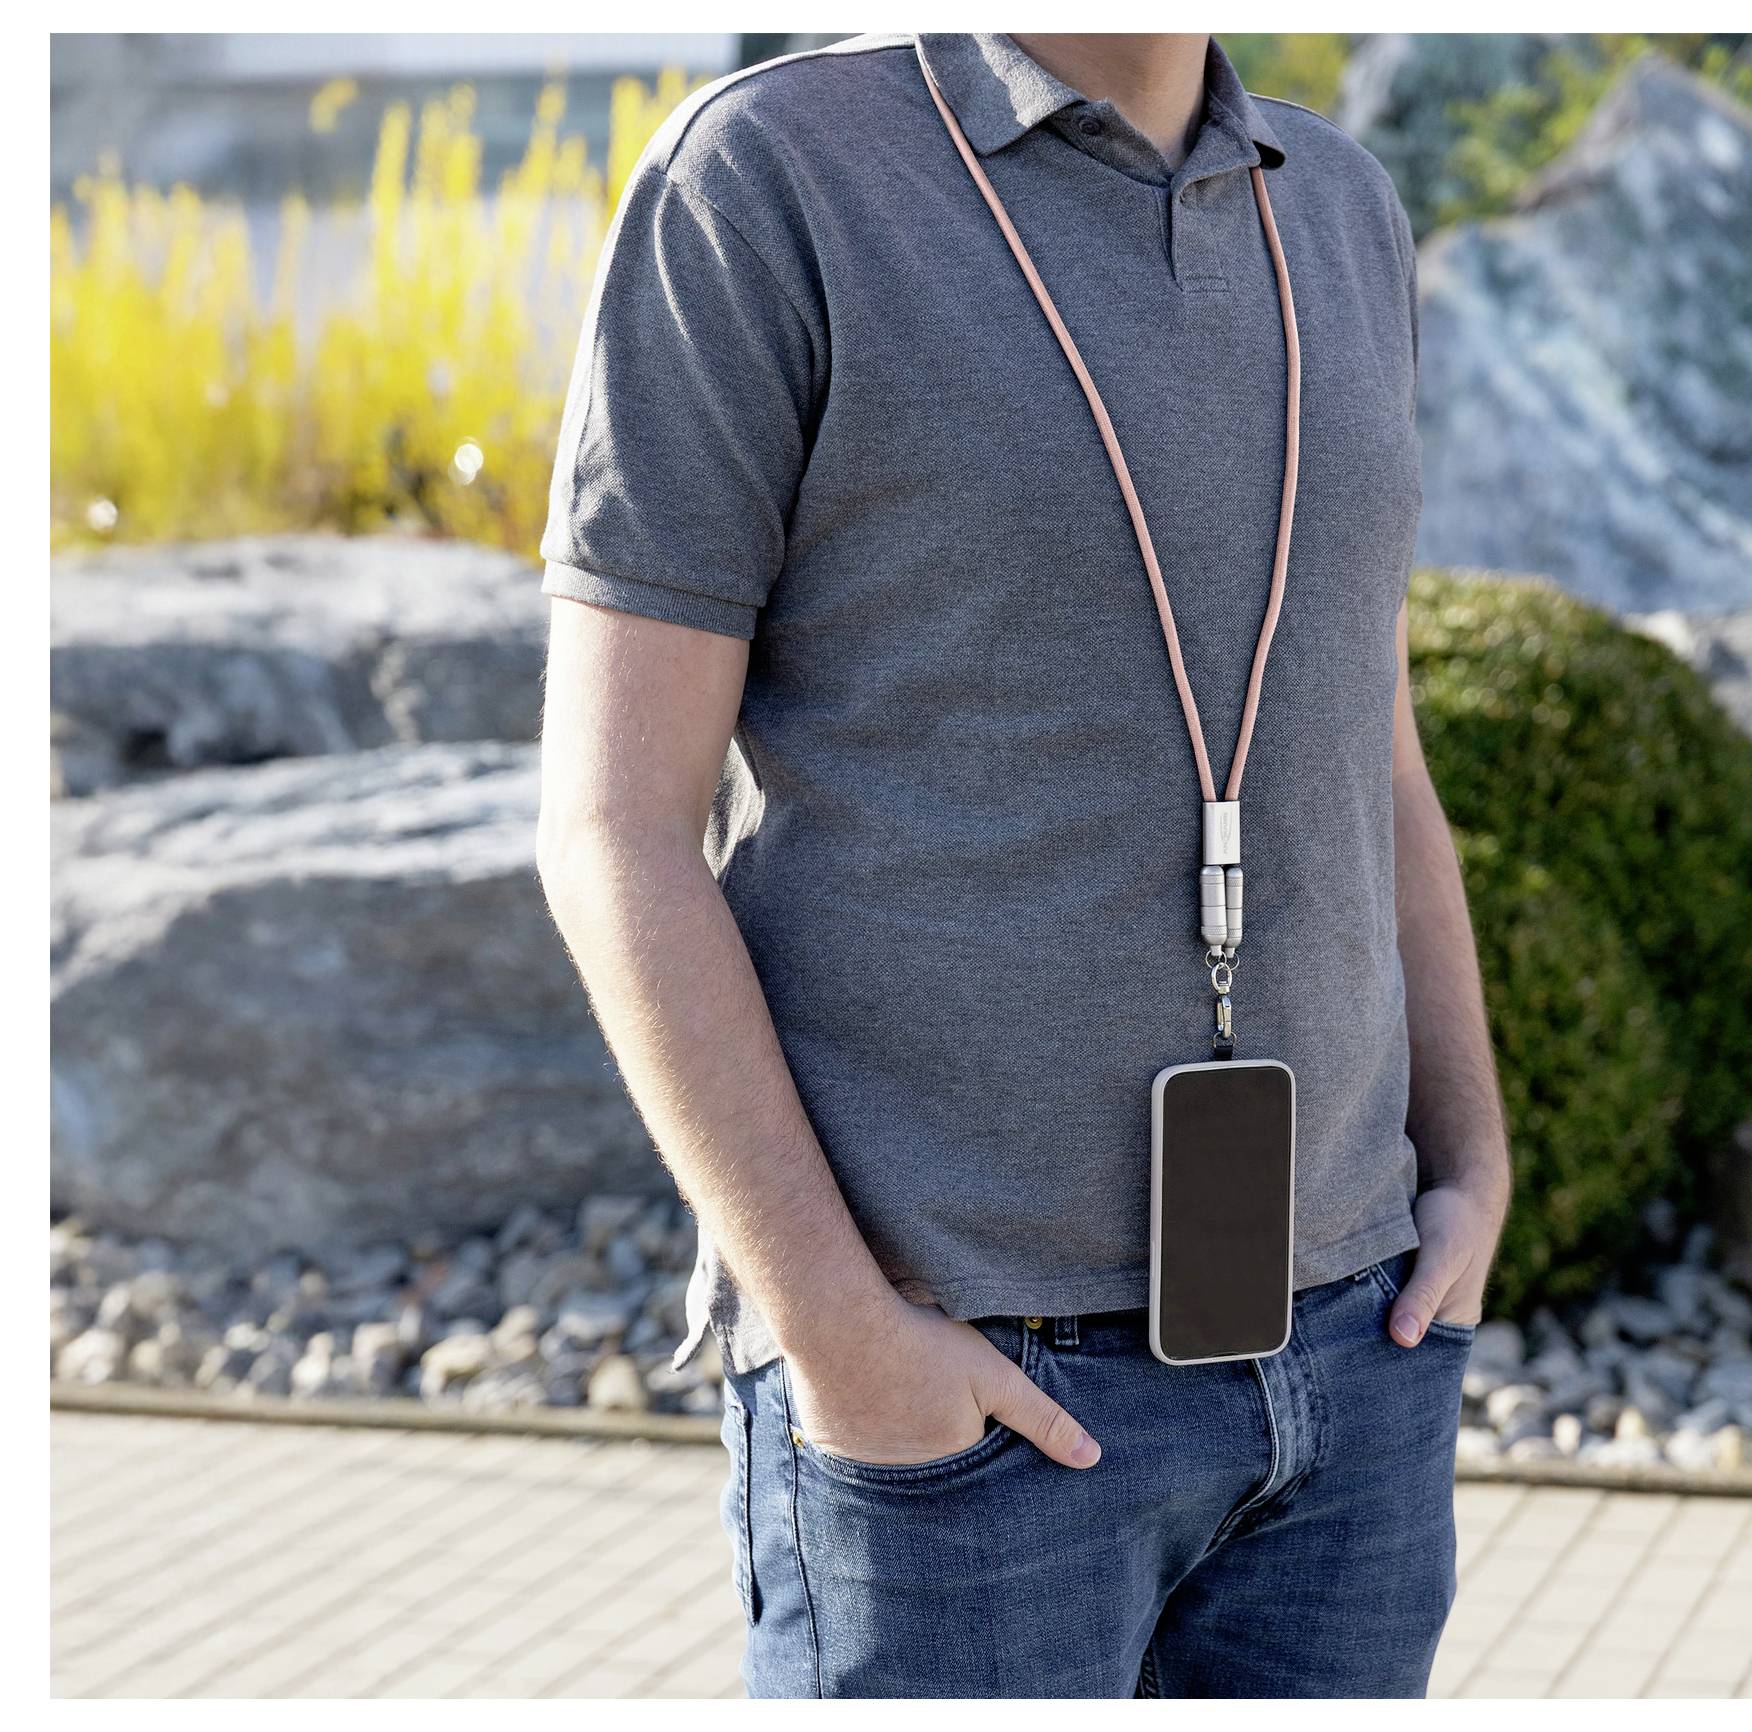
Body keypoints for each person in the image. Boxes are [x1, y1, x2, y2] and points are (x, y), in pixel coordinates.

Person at [535, 31, 1508, 1698]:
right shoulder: (767, 179)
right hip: (964, 1400)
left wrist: (1472, 1167)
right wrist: (844, 1340)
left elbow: (1377, 748)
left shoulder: (1341, 209)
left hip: (1355, 1356)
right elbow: (614, 826)